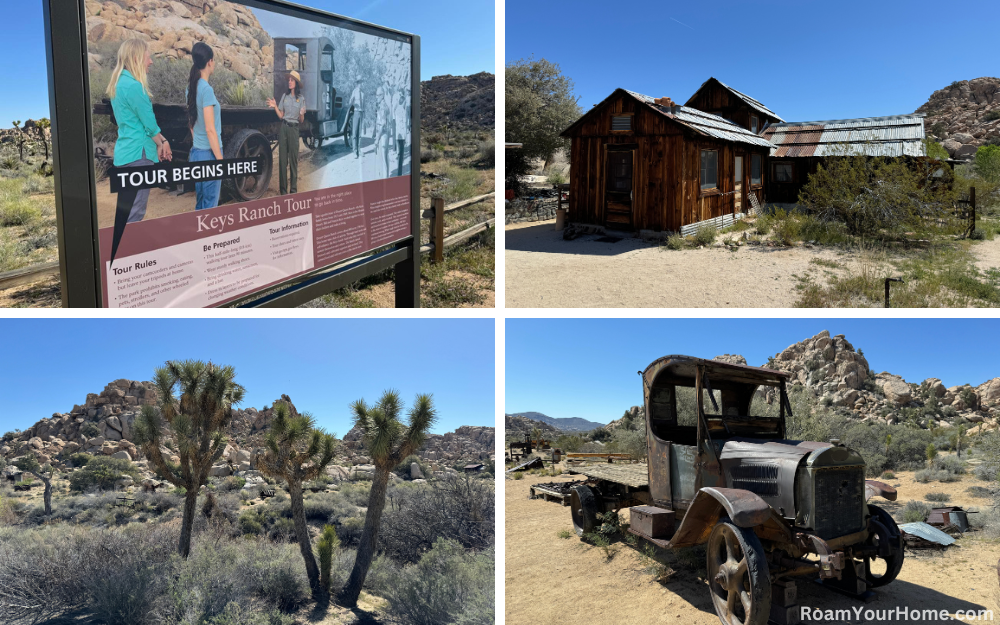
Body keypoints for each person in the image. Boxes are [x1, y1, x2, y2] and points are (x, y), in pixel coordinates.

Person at [107, 38, 172, 224]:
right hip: (139, 156)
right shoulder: (135, 87)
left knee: (126, 208)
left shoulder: (118, 85)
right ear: (136, 58)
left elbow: (139, 124)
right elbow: (149, 125)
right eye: (147, 57)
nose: (150, 61)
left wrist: (163, 141)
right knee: (135, 212)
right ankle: (128, 251)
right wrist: (162, 144)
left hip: (124, 154)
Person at [185, 42, 223, 210]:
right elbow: (210, 129)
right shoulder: (206, 90)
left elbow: (192, 122)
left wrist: (198, 143)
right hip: (209, 155)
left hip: (196, 153)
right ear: (209, 62)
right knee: (210, 206)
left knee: (200, 203)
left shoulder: (191, 88)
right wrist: (220, 161)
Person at [266, 70, 305, 195]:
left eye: (292, 80)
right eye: (289, 80)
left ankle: (293, 191)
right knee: (283, 161)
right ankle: (283, 192)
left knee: (293, 160)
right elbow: (281, 116)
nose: (289, 82)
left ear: (296, 83)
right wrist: (275, 106)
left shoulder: (301, 99)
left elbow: (301, 120)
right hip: (284, 128)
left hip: (294, 130)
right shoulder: (285, 97)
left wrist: (302, 114)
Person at [375, 86, 390, 178]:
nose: (376, 97)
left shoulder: (383, 107)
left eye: (378, 95)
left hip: (383, 134)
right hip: (382, 133)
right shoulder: (381, 105)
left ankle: (385, 180)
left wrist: (377, 138)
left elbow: (383, 124)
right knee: (383, 158)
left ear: (382, 95)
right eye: (376, 95)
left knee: (384, 158)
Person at [392, 89, 408, 177]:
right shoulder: (400, 109)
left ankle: (399, 172)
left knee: (400, 153)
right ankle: (399, 172)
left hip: (400, 133)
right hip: (400, 133)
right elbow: (403, 123)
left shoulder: (399, 109)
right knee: (400, 153)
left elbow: (403, 122)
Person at [348, 77, 364, 159]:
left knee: (360, 133)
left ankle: (359, 149)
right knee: (354, 133)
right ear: (357, 83)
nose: (361, 84)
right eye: (360, 83)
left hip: (361, 113)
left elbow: (364, 105)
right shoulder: (354, 91)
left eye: (362, 82)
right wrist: (353, 103)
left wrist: (364, 113)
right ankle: (355, 151)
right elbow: (350, 102)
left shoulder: (363, 93)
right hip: (356, 112)